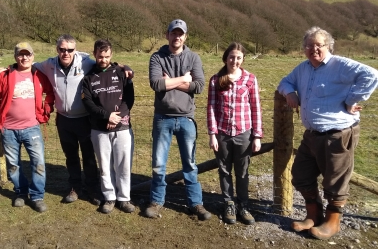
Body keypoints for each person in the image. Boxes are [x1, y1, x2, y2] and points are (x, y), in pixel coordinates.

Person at [278, 26, 378, 240]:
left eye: (319, 45)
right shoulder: (302, 69)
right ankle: (313, 216)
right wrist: (290, 93)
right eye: (309, 45)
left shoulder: (340, 65)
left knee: (335, 180)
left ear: (328, 46)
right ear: (304, 49)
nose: (313, 49)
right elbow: (284, 82)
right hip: (312, 134)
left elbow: (371, 75)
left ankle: (332, 222)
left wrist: (351, 100)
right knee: (301, 175)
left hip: (337, 134)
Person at [33, 34, 133, 205]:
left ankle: (93, 189)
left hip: (85, 118)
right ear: (57, 49)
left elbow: (108, 63)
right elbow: (28, 65)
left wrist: (126, 67)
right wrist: (9, 68)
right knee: (70, 156)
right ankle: (75, 188)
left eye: (70, 50)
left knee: (89, 156)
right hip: (64, 119)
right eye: (62, 49)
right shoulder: (49, 64)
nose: (66, 53)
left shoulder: (86, 61)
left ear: (75, 50)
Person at [145, 19, 212, 221]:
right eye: (173, 33)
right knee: (158, 163)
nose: (177, 37)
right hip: (162, 118)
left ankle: (195, 203)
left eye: (180, 33)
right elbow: (156, 84)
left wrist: (170, 82)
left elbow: (199, 86)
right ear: (167, 35)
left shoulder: (193, 58)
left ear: (185, 36)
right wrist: (184, 79)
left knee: (190, 164)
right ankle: (156, 202)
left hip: (186, 119)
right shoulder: (157, 57)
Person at [0, 42, 54, 213]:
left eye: (28, 54)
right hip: (8, 129)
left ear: (33, 56)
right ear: (15, 56)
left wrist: (46, 109)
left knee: (38, 163)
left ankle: (37, 196)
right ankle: (21, 192)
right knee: (13, 165)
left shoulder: (39, 75)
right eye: (21, 54)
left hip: (32, 128)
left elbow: (51, 93)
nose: (24, 58)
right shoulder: (4, 76)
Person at [207, 43, 263, 225]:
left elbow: (256, 108)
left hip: (243, 133)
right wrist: (212, 134)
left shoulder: (250, 79)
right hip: (222, 133)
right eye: (232, 57)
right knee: (224, 170)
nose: (235, 61)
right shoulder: (216, 80)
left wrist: (257, 136)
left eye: (238, 57)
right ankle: (228, 204)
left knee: (243, 171)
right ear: (225, 58)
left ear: (243, 59)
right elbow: (211, 108)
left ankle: (243, 205)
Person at [82, 39, 135, 214]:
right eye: (100, 56)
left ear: (111, 55)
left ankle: (124, 198)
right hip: (99, 129)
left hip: (122, 128)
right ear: (94, 54)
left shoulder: (122, 73)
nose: (103, 59)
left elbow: (129, 98)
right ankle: (109, 198)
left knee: (123, 165)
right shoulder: (88, 78)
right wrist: (106, 116)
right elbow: (88, 103)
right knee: (104, 166)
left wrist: (117, 117)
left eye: (106, 56)